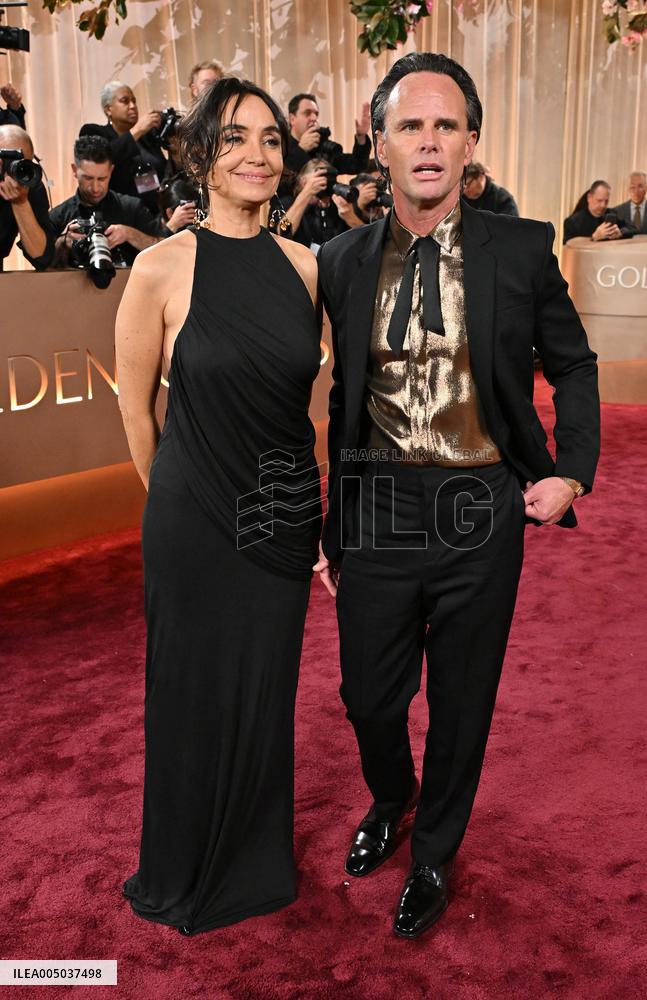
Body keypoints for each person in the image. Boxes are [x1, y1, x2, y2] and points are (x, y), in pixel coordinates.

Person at [314, 52, 600, 939]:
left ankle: (433, 850)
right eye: (409, 125)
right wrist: (323, 524)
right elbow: (327, 398)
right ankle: (392, 798)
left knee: (463, 700)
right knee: (368, 697)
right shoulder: (337, 260)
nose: (428, 142)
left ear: (471, 141)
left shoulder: (520, 247)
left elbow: (574, 364)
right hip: (378, 509)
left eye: (445, 125)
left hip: (483, 505)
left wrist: (571, 469)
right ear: (380, 141)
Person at [115, 76, 322, 936]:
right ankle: (182, 863)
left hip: (277, 521)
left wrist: (310, 520)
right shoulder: (160, 267)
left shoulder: (306, 267)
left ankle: (251, 861)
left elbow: (307, 408)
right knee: (189, 693)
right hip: (191, 521)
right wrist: (178, 496)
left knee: (266, 692)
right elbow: (134, 407)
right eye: (234, 138)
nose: (256, 155)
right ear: (201, 155)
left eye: (271, 139)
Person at [49, 136, 165, 268]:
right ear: (75, 170)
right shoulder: (59, 216)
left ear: (111, 171)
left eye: (102, 179)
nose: (95, 188)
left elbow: (165, 249)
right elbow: (43, 268)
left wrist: (130, 234)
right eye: (88, 178)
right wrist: (62, 243)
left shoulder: (132, 208)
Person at [80, 82, 168, 215]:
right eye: (125, 101)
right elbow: (103, 158)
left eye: (134, 101)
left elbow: (164, 170)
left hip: (157, 214)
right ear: (108, 109)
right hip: (120, 216)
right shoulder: (94, 132)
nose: (133, 106)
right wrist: (138, 130)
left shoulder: (146, 138)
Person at [0, 123, 53, 271]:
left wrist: (21, 202)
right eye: (6, 159)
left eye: (20, 161)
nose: (12, 168)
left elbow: (41, 257)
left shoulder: (30, 186)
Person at [283, 92, 372, 180]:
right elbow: (282, 180)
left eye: (316, 114)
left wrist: (361, 136)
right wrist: (301, 150)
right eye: (307, 113)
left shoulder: (321, 145)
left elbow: (357, 165)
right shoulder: (281, 146)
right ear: (292, 119)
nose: (314, 118)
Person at [279, 158, 351, 249]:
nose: (324, 183)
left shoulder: (337, 207)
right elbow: (282, 232)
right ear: (304, 182)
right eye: (320, 177)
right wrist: (308, 193)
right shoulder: (286, 203)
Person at [562, 180, 635, 243]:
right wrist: (593, 238)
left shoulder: (613, 214)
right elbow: (568, 246)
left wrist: (620, 233)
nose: (603, 205)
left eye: (606, 201)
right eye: (599, 200)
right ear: (589, 197)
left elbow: (633, 229)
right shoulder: (572, 222)